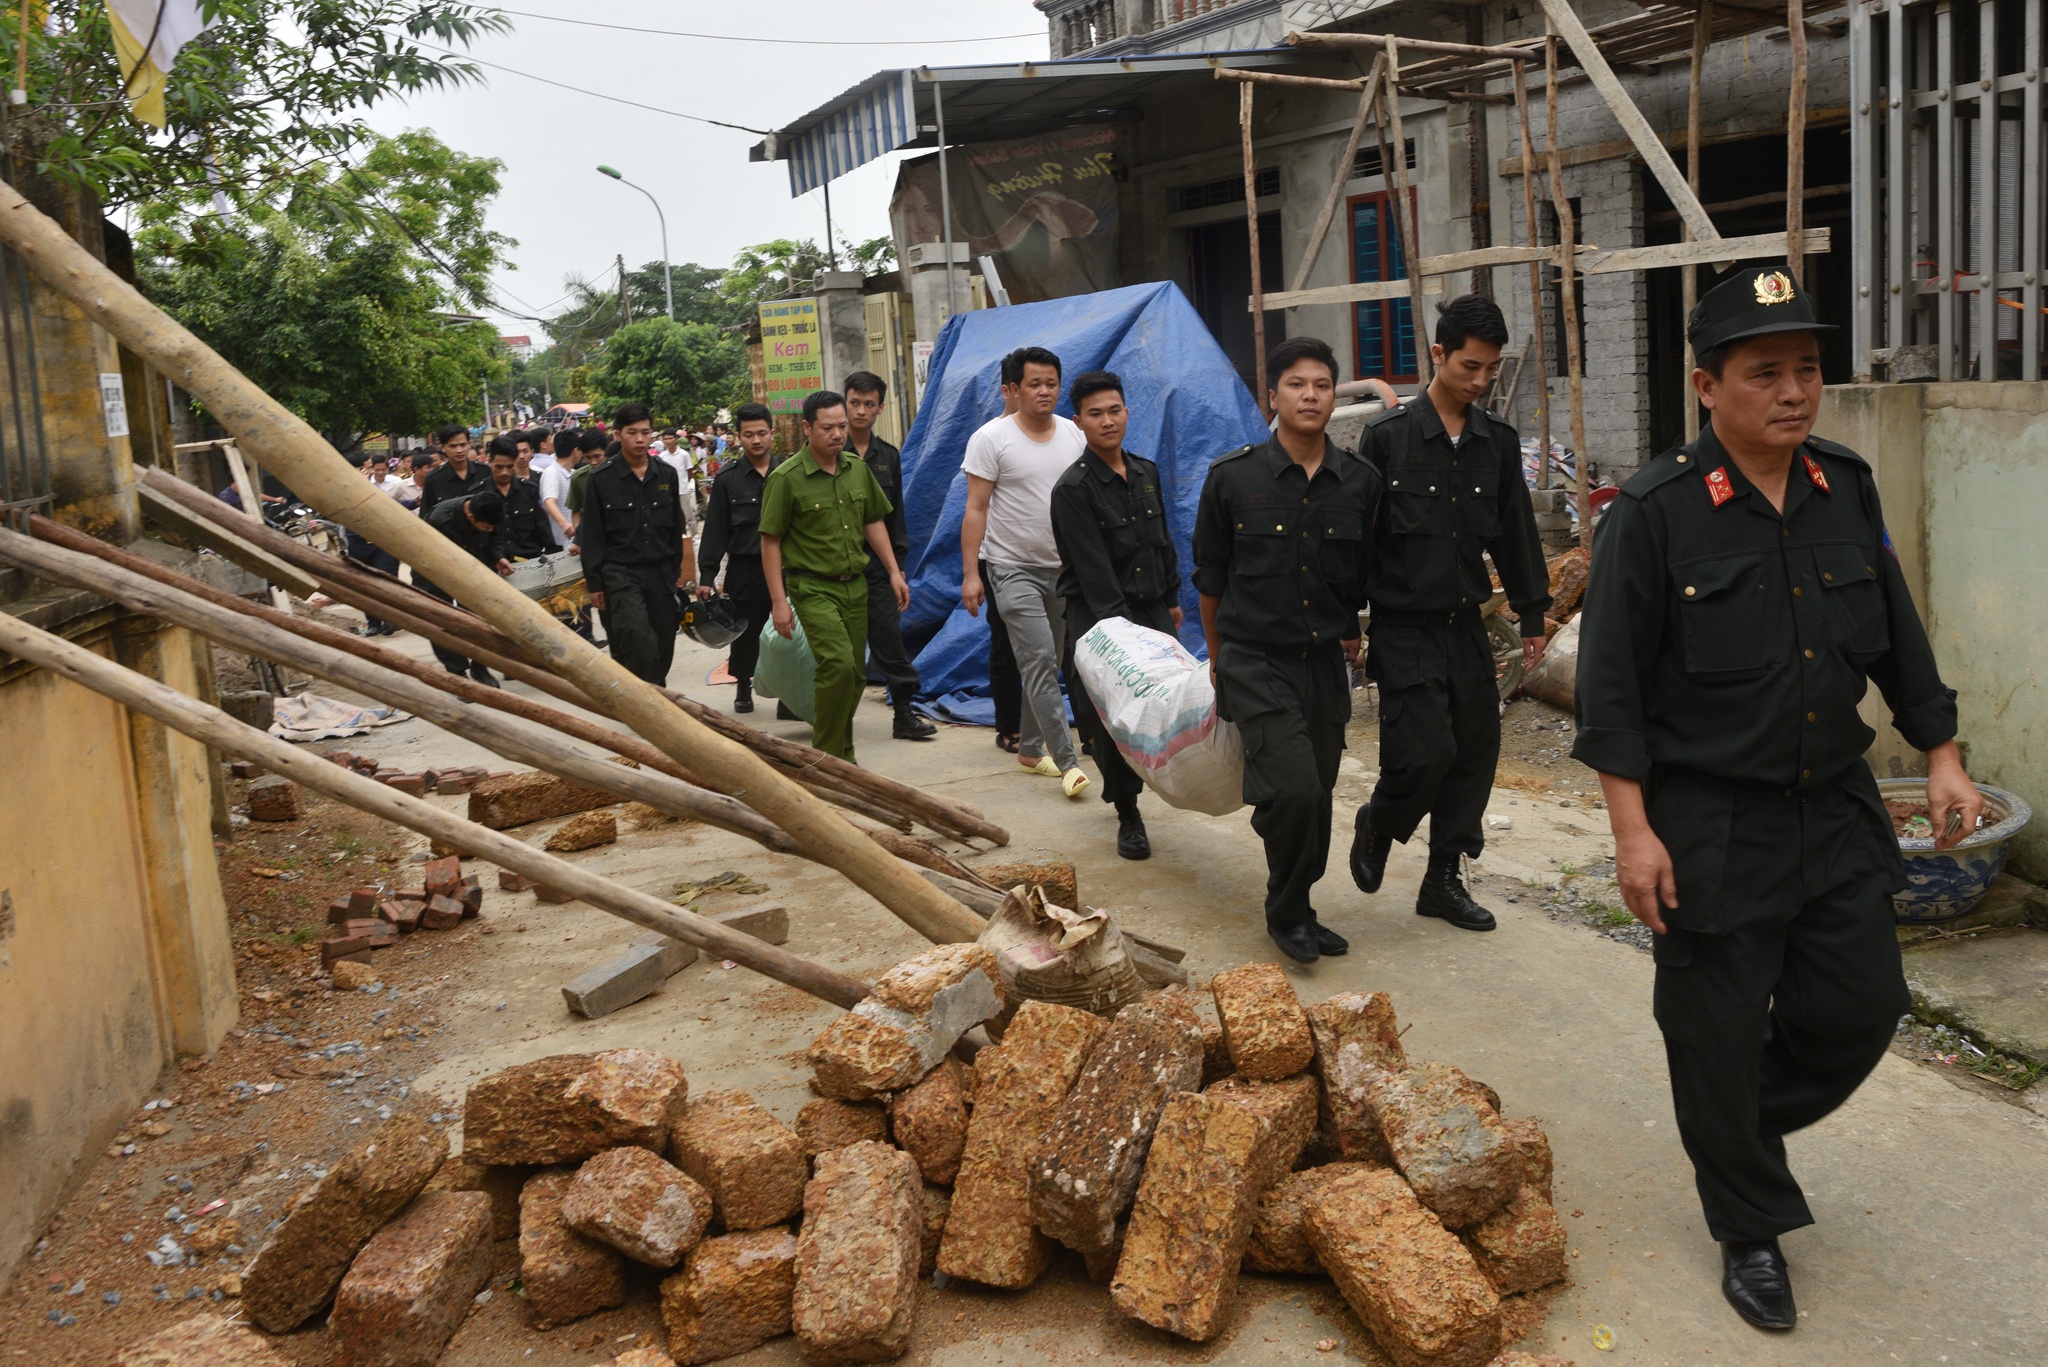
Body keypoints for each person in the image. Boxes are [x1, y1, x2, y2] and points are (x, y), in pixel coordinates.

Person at [1573, 263, 1979, 1333]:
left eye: (1806, 367)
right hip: (1704, 817)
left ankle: (1728, 1128)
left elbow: (1895, 630)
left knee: (1859, 1006)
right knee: (1711, 1023)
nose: (1793, 390)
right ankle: (1744, 1217)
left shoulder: (1841, 482)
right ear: (1706, 386)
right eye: (1765, 372)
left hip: (1831, 800)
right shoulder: (1654, 511)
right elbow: (1608, 690)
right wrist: (1631, 833)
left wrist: (1939, 752)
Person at [1350, 293, 1553, 932]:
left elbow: (1516, 534)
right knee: (1425, 750)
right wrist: (1341, 627)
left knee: (1474, 750)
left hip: (1466, 625)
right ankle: (1380, 819)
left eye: (1491, 369)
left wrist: (1535, 617)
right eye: (1470, 366)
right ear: (1437, 354)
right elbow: (1356, 537)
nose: (1481, 381)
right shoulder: (1387, 439)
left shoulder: (1496, 441)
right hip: (1403, 626)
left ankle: (1443, 880)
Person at [1193, 336, 1380, 964]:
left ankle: (1294, 883)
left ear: (1335, 396)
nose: (1310, 395)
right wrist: (1219, 661)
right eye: (1296, 384)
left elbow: (1362, 575)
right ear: (1272, 397)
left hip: (1323, 662)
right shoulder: (1232, 479)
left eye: (1322, 385)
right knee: (1297, 787)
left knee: (1316, 790)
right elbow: (1211, 585)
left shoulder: (1359, 482)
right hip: (1253, 658)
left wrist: (1355, 636)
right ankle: (1289, 911)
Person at [1050, 370, 1181, 860]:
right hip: (1100, 619)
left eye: (1115, 410)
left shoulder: (1145, 472)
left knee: (1169, 701)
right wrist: (1123, 639)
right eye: (1095, 414)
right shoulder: (1073, 489)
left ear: (1127, 412)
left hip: (1150, 607)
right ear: (1079, 422)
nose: (1108, 421)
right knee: (1107, 715)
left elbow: (1163, 541)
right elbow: (1093, 570)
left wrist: (1170, 600)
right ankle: (1127, 811)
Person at [960, 346, 1091, 799]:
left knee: (1051, 660)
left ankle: (1031, 749)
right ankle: (1068, 761)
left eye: (1051, 383)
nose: (1044, 392)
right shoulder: (991, 439)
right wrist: (970, 574)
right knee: (1037, 661)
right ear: (1013, 389)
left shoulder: (1075, 435)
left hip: (1062, 570)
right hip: (1010, 568)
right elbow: (975, 509)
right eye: (1034, 384)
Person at [758, 389, 910, 763]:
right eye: (828, 428)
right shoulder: (786, 478)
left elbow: (873, 520)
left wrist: (894, 571)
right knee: (838, 666)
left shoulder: (856, 468)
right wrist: (779, 603)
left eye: (842, 426)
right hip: (811, 587)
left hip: (855, 585)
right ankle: (827, 758)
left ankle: (843, 754)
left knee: (855, 676)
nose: (838, 434)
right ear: (807, 428)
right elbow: (770, 542)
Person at [844, 370, 937, 742]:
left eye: (869, 404)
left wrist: (897, 569)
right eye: (855, 403)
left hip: (878, 568)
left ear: (880, 408)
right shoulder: (830, 451)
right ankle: (827, 714)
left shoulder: (889, 457)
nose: (861, 411)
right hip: (834, 568)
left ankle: (903, 713)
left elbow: (895, 516)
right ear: (845, 402)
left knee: (889, 642)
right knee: (838, 651)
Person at [578, 403, 697, 685]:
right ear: (618, 435)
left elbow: (675, 527)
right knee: (637, 637)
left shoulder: (666, 474)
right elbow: (592, 534)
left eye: (645, 432)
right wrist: (594, 583)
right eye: (632, 433)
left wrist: (675, 573)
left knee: (664, 638)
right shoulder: (601, 478)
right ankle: (653, 701)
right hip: (621, 573)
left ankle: (653, 690)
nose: (640, 439)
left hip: (660, 572)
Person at [696, 402, 778, 713]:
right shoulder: (729, 479)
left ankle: (788, 695)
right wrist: (707, 576)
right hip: (746, 568)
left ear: (772, 433)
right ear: (739, 437)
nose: (756, 440)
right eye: (748, 435)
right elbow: (716, 530)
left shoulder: (787, 472)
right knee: (745, 631)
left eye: (761, 433)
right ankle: (743, 686)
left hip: (785, 568)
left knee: (788, 633)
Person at [417, 486, 513, 685]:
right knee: (442, 622)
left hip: (473, 571)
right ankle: (457, 673)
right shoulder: (440, 520)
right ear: (470, 516)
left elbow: (494, 538)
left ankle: (480, 667)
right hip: (435, 573)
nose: (490, 529)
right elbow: (433, 558)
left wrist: (498, 557)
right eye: (486, 527)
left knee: (480, 621)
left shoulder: (491, 511)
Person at [345, 453, 402, 637]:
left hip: (382, 541)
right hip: (359, 543)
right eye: (368, 467)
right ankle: (374, 623)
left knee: (387, 580)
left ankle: (391, 619)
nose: (371, 471)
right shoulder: (343, 487)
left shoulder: (378, 486)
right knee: (366, 585)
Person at [485, 434, 550, 559]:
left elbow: (543, 528)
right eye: (499, 467)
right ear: (489, 462)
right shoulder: (480, 492)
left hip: (530, 561)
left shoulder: (530, 490)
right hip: (495, 565)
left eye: (509, 467)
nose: (504, 472)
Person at [418, 423, 489, 517]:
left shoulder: (485, 472)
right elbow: (426, 516)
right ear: (443, 448)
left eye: (463, 445)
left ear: (469, 445)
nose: (459, 450)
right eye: (453, 446)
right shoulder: (433, 479)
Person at [539, 428, 582, 551]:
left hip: (574, 543)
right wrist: (564, 524)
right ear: (575, 451)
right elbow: (549, 501)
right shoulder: (552, 473)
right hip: (558, 545)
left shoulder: (574, 474)